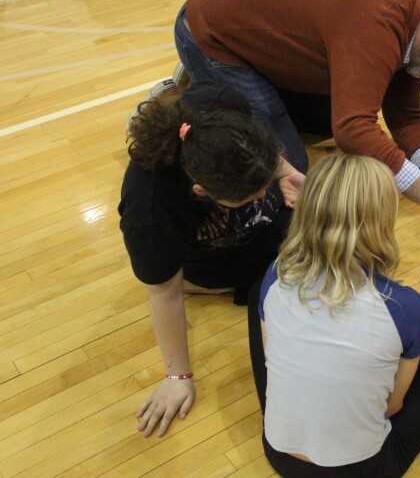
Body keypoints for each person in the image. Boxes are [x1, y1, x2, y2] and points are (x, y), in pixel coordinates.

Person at [175, 0, 420, 232]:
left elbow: (404, 115)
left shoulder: (412, 35)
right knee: (287, 169)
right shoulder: (377, 25)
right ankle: (198, 89)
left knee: (333, 114)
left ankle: (245, 87)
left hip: (263, 40)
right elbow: (353, 129)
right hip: (213, 34)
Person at [254, 153, 420, 477]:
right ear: (382, 223)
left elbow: (272, 355)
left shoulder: (277, 272)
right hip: (364, 469)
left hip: (278, 452)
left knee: (261, 299)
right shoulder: (405, 305)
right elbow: (391, 407)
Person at [119, 82, 304, 438]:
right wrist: (178, 377)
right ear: (202, 192)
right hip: (211, 256)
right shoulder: (151, 207)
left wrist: (285, 172)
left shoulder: (222, 104)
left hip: (262, 229)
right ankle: (212, 288)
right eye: (255, 192)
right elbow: (163, 293)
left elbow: (259, 147)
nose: (264, 192)